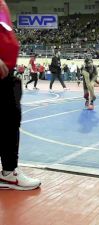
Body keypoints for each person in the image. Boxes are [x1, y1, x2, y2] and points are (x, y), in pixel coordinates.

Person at [0, 0, 41, 190]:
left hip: (7, 74)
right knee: (9, 121)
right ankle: (9, 173)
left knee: (9, 121)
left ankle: (8, 171)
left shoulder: (2, 5)